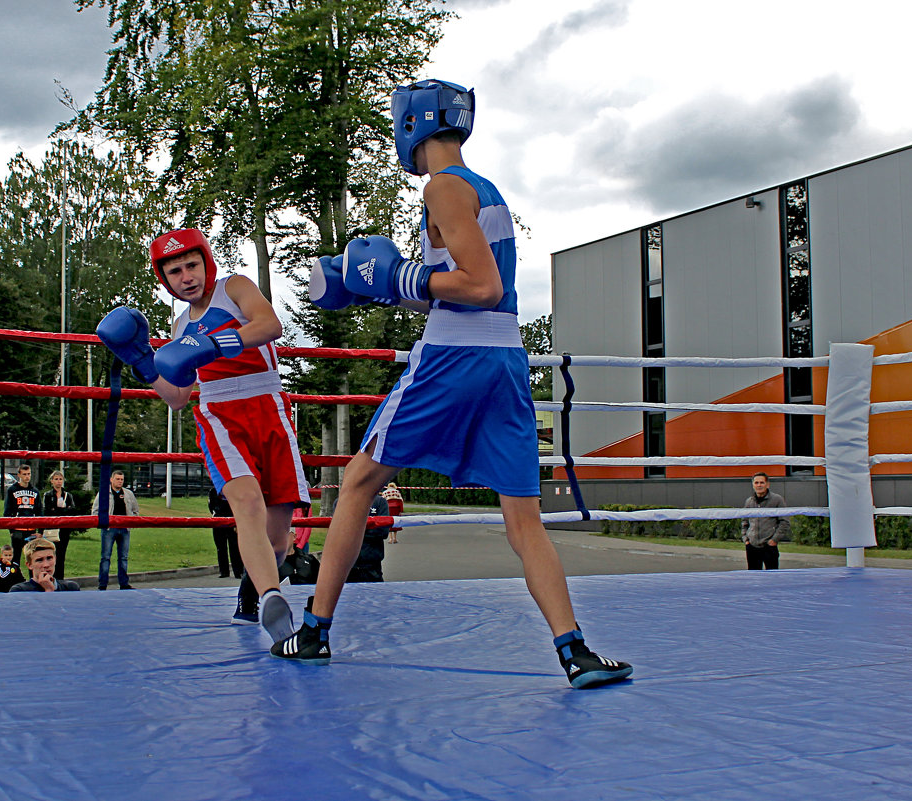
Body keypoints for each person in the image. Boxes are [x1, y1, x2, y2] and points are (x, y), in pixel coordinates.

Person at [271, 79, 632, 689]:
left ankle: (314, 630)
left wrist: (404, 278)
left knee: (358, 482)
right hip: (505, 362)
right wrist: (381, 282)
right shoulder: (483, 190)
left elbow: (479, 287)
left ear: (411, 122)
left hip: (453, 359)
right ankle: (574, 652)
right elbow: (470, 287)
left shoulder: (442, 187)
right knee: (524, 520)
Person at [95, 227, 310, 643]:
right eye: (175, 271)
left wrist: (213, 344)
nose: (186, 276)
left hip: (267, 404)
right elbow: (177, 397)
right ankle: (271, 598)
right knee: (246, 502)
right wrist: (142, 361)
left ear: (206, 263)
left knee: (279, 533)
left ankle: (251, 592)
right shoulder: (179, 327)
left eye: (191, 265)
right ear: (166, 280)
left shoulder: (235, 288)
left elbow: (270, 326)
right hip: (218, 413)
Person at [91, 470, 138, 590]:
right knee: (105, 557)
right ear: (111, 479)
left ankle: (124, 583)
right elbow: (95, 511)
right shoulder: (103, 493)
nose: (120, 481)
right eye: (117, 479)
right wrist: (102, 523)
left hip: (124, 529)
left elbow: (135, 510)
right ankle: (102, 584)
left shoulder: (128, 494)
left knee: (123, 557)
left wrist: (131, 522)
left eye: (122, 479)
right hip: (109, 529)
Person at [741, 472, 790, 570]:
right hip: (752, 546)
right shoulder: (749, 501)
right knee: (754, 578)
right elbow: (744, 521)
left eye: (762, 483)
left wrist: (774, 540)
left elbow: (784, 522)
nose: (759, 485)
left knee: (772, 578)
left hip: (769, 546)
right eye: (756, 483)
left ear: (767, 484)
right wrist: (745, 539)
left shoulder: (777, 500)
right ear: (753, 485)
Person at [42, 470, 80, 580]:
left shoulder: (68, 496)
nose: (58, 482)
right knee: (50, 554)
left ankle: (60, 578)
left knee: (61, 554)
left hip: (64, 529)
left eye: (60, 479)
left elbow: (72, 510)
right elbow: (48, 511)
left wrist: (58, 510)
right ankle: (49, 577)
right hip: (52, 529)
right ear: (51, 481)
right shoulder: (48, 495)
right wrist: (62, 510)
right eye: (56, 479)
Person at [346, 494, 390, 583]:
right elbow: (341, 531)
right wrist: (369, 528)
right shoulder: (341, 503)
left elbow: (383, 531)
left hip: (372, 565)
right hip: (347, 566)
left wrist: (356, 530)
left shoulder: (380, 502)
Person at [9, 538, 80, 592]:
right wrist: (48, 590)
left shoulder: (70, 587)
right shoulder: (20, 590)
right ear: (29, 565)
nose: (46, 565)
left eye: (49, 558)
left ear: (55, 559)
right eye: (39, 560)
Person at [4, 464, 42, 556]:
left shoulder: (35, 491)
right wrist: (11, 531)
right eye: (24, 474)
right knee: (16, 557)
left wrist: (40, 531)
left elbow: (39, 511)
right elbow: (7, 510)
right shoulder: (12, 490)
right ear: (19, 475)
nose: (27, 477)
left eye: (29, 474)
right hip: (17, 529)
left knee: (32, 557)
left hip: (31, 530)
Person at [208, 488, 244, 578]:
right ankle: (223, 571)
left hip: (231, 520)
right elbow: (211, 506)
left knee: (234, 547)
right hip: (218, 521)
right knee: (220, 547)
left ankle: (238, 571)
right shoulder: (213, 491)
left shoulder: (232, 489)